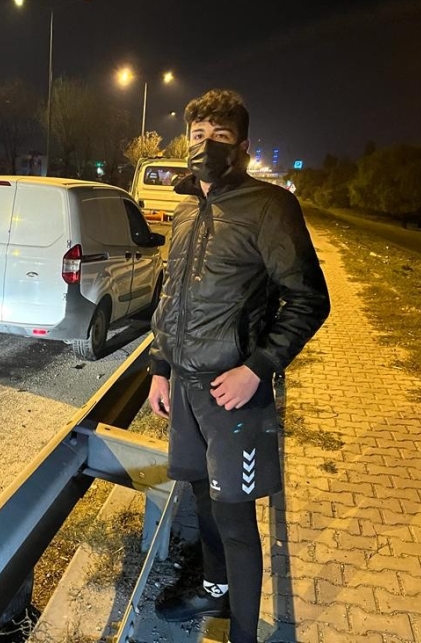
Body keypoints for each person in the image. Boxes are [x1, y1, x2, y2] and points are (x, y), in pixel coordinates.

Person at [148, 89, 330, 643]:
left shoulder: (269, 207)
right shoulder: (185, 208)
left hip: (234, 393)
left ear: (243, 146)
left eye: (220, 137)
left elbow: (309, 299)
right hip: (185, 387)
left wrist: (257, 368)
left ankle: (244, 636)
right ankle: (215, 590)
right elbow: (171, 296)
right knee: (202, 498)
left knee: (235, 517)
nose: (206, 146)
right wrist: (160, 367)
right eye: (198, 135)